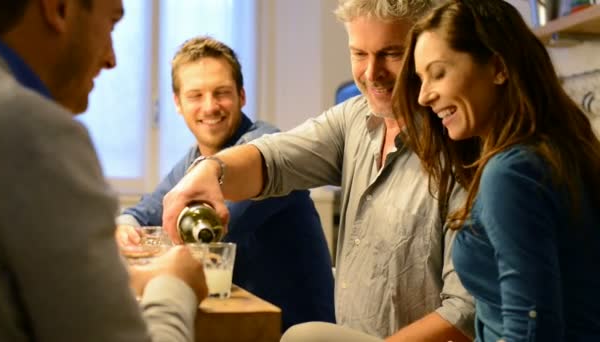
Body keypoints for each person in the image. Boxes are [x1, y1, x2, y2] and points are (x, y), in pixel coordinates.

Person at [161, 1, 476, 341]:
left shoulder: (462, 144)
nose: (372, 73)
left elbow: (463, 312)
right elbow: (275, 158)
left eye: (391, 53)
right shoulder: (353, 119)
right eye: (359, 54)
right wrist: (210, 169)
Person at [0, 0, 208, 341]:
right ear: (58, 9)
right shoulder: (33, 131)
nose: (112, 59)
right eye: (111, 24)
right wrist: (174, 284)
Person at [395, 0, 600, 341]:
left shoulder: (511, 173)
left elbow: (532, 329)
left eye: (438, 73)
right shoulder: (559, 150)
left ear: (498, 68)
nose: (424, 97)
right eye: (421, 79)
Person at [116, 36, 336, 331]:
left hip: (292, 332)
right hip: (237, 327)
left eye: (221, 92)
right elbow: (146, 211)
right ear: (177, 103)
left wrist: (149, 248)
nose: (210, 107)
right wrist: (125, 225)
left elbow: (207, 238)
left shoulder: (265, 149)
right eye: (196, 95)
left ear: (242, 95)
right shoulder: (193, 160)